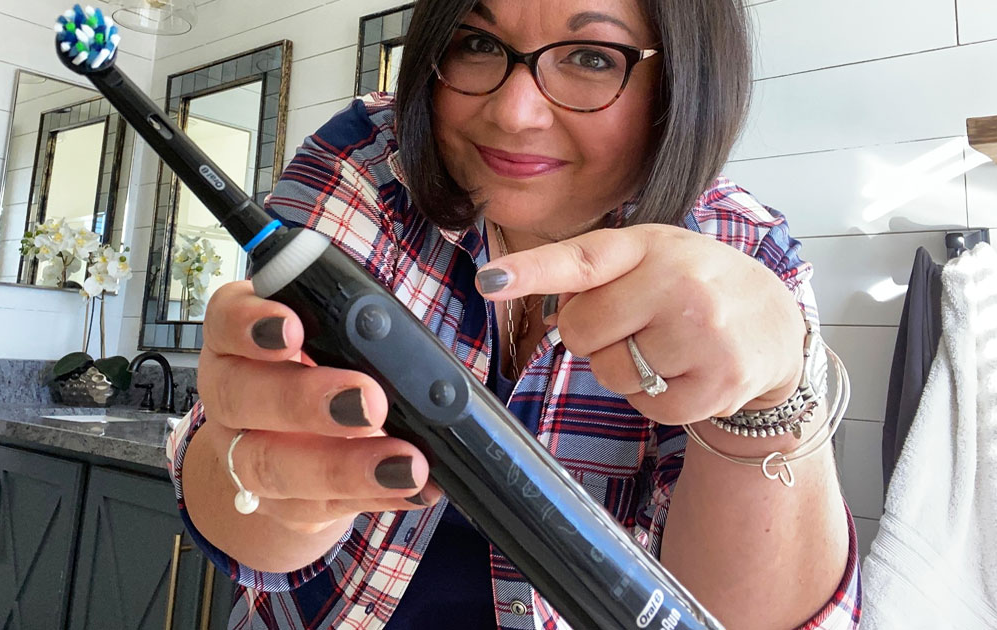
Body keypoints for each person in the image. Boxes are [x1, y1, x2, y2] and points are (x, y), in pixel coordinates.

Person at [166, 0, 861, 628]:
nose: (513, 112)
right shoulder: (369, 166)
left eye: (591, 58)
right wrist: (275, 486)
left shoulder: (741, 251)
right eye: (476, 42)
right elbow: (233, 502)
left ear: (682, 84)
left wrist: (775, 395)